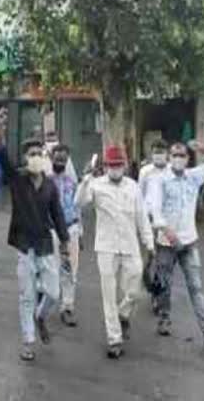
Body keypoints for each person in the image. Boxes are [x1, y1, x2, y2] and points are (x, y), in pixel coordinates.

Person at [149, 141, 204, 347]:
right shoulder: (159, 181)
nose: (178, 158)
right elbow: (155, 211)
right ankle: (164, 319)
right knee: (165, 285)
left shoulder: (193, 177)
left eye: (182, 155)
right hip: (166, 244)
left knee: (196, 287)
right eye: (175, 155)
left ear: (188, 158)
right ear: (169, 158)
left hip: (189, 242)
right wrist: (168, 232)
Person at [0, 132, 70, 362]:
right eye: (31, 154)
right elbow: (2, 157)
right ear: (25, 158)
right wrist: (1, 129)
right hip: (24, 245)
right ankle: (28, 341)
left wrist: (65, 242)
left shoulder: (49, 185)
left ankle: (40, 317)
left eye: (39, 153)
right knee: (26, 295)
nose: (36, 157)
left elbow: (57, 214)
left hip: (45, 243)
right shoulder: (18, 181)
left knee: (54, 292)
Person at [76, 145, 154, 359]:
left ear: (125, 165)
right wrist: (84, 181)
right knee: (108, 295)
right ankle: (114, 339)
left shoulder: (134, 187)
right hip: (106, 247)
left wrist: (149, 243)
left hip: (130, 245)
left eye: (119, 164)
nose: (115, 168)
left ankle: (123, 314)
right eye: (111, 165)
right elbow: (79, 202)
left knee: (135, 290)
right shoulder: (96, 185)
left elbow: (142, 217)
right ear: (105, 166)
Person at [47, 144, 83, 327]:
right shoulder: (45, 182)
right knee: (50, 270)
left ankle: (67, 307)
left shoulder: (72, 182)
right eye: (57, 157)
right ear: (51, 158)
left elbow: (77, 209)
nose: (60, 160)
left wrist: (80, 233)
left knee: (70, 271)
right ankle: (44, 306)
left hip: (71, 231)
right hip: (51, 231)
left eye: (63, 158)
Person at [138, 139, 169, 313]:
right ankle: (149, 286)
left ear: (166, 153)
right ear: (151, 153)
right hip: (148, 220)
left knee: (161, 262)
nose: (159, 154)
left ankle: (156, 297)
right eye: (156, 151)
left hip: (165, 222)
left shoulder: (172, 172)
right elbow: (139, 197)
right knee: (147, 260)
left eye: (161, 151)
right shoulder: (145, 172)